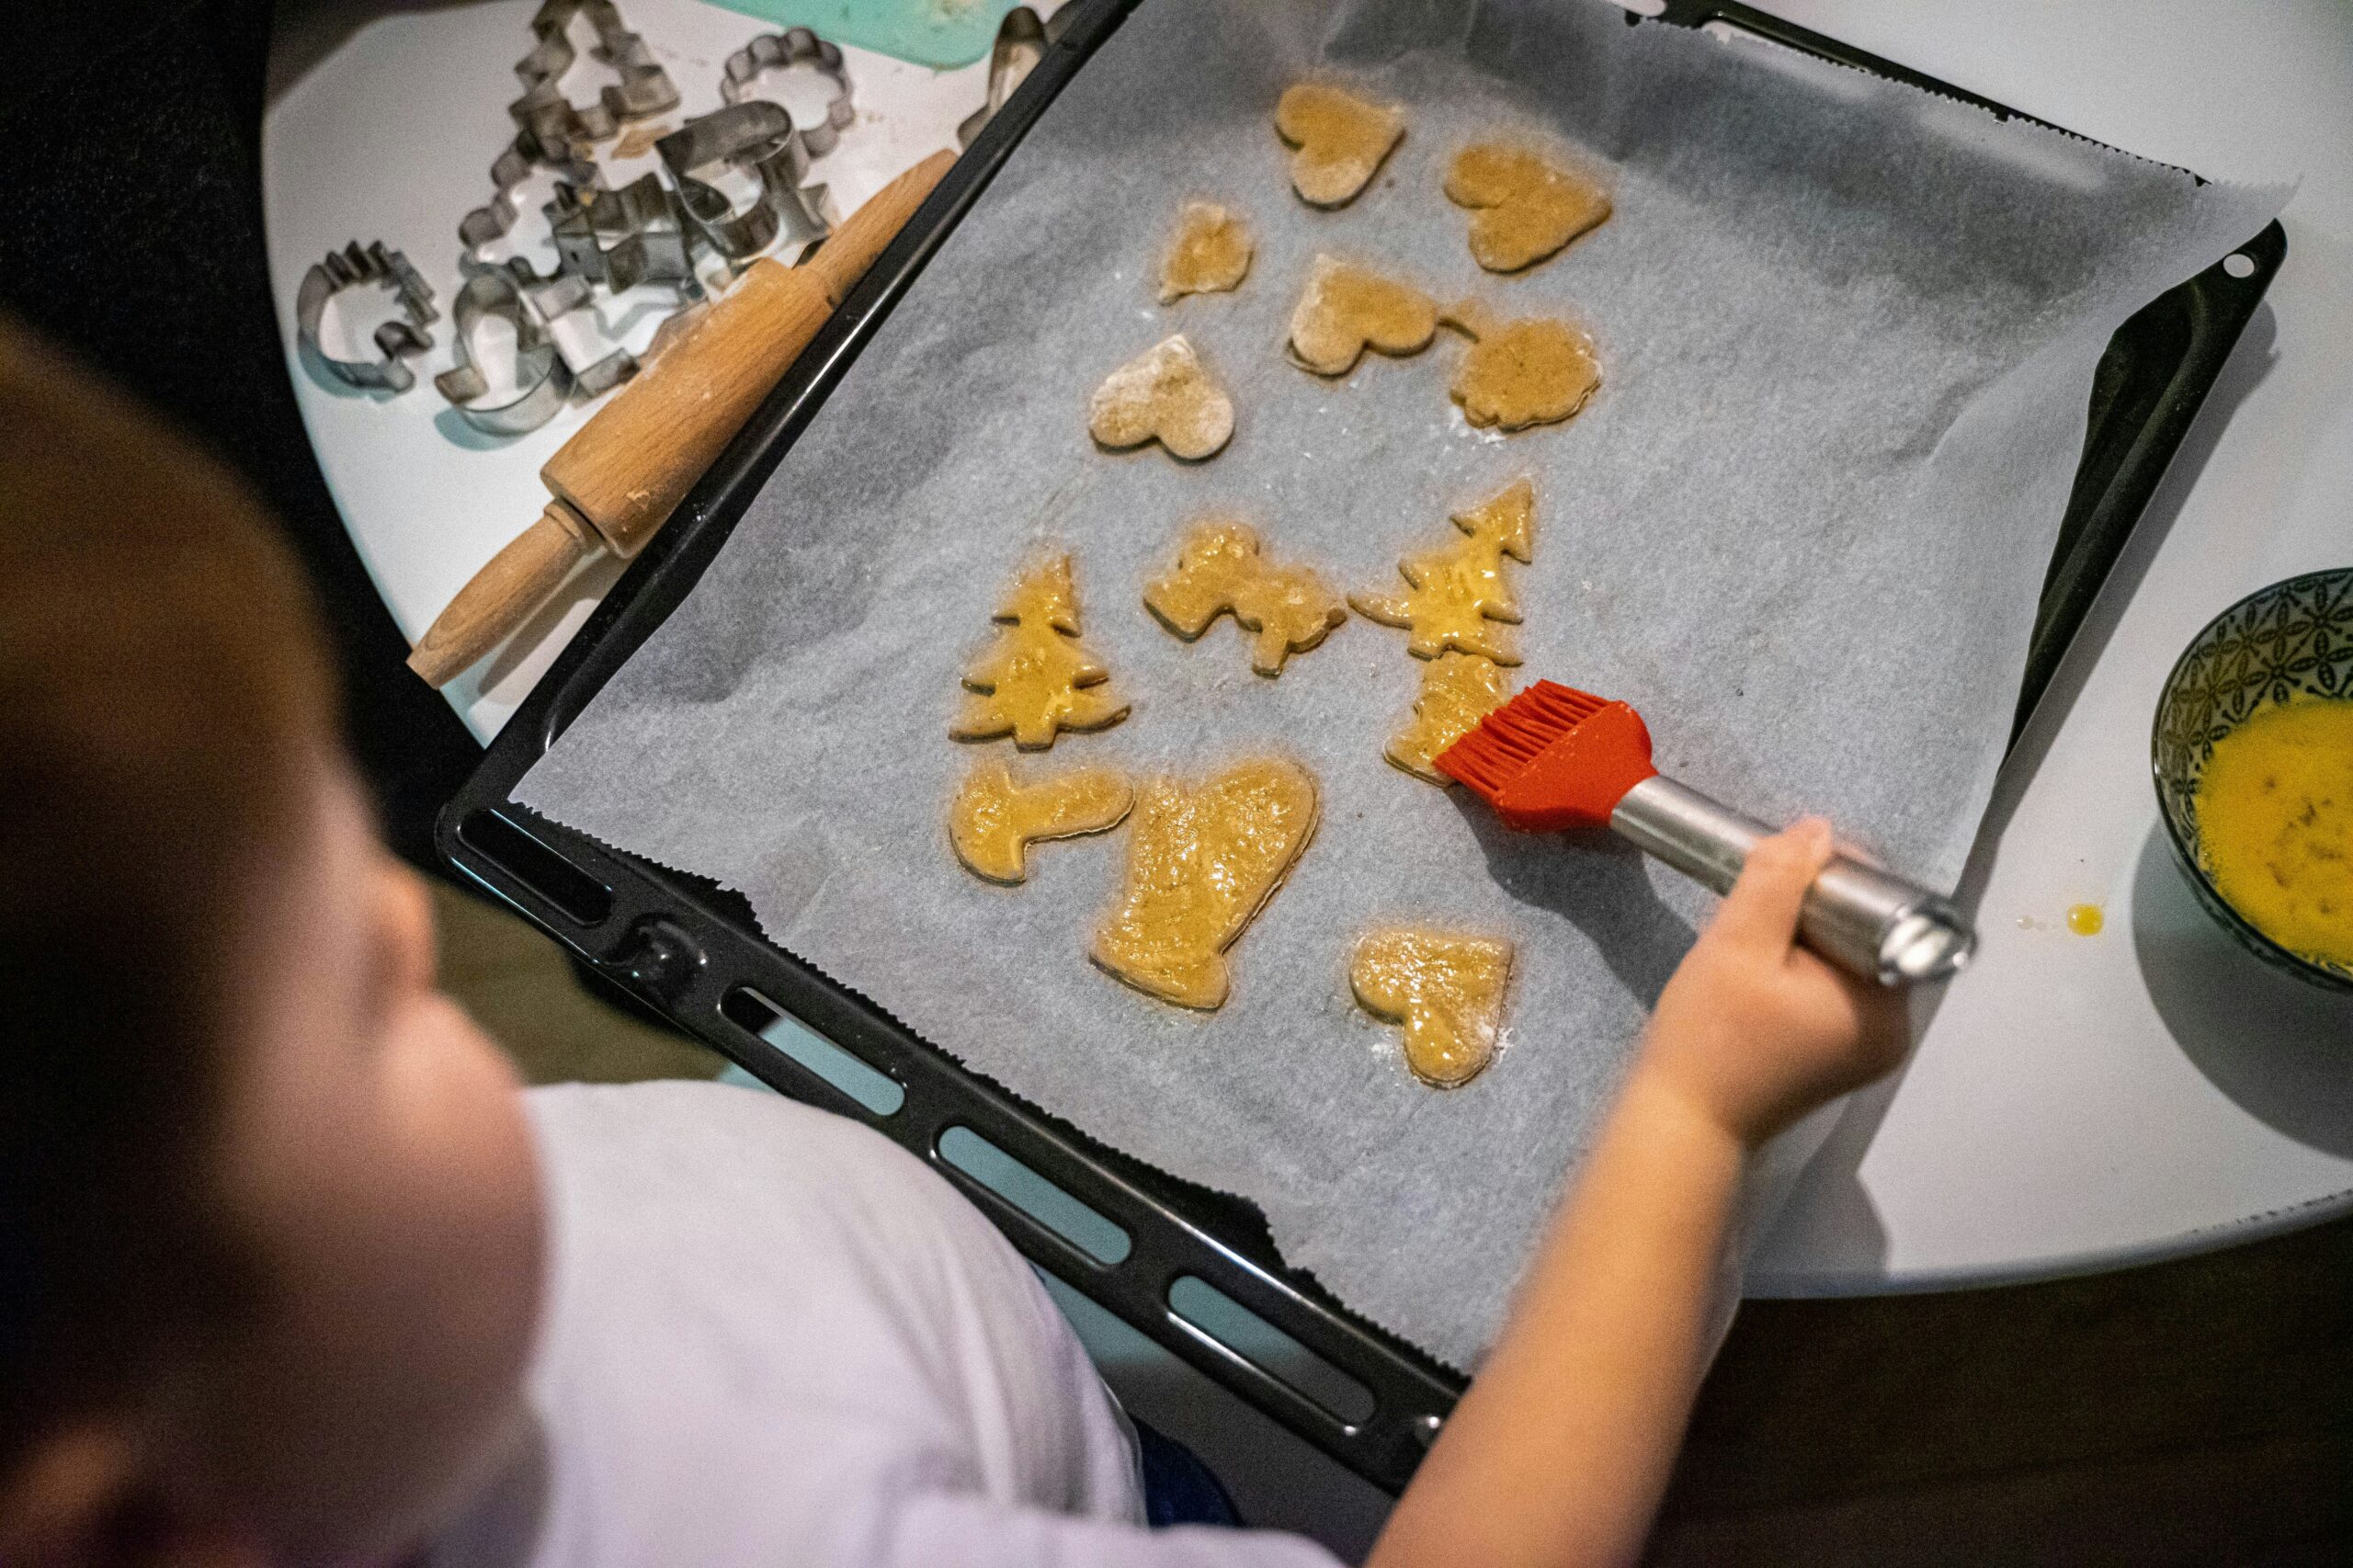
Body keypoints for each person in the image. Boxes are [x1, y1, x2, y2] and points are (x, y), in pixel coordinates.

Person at [0, 322, 1906, 1568]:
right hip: (1034, 1481)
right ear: (156, 1526)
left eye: (373, 902)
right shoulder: (766, 1528)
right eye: (354, 996)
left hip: (903, 1319)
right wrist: (1677, 1121)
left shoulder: (335, 1338)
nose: (429, 953)